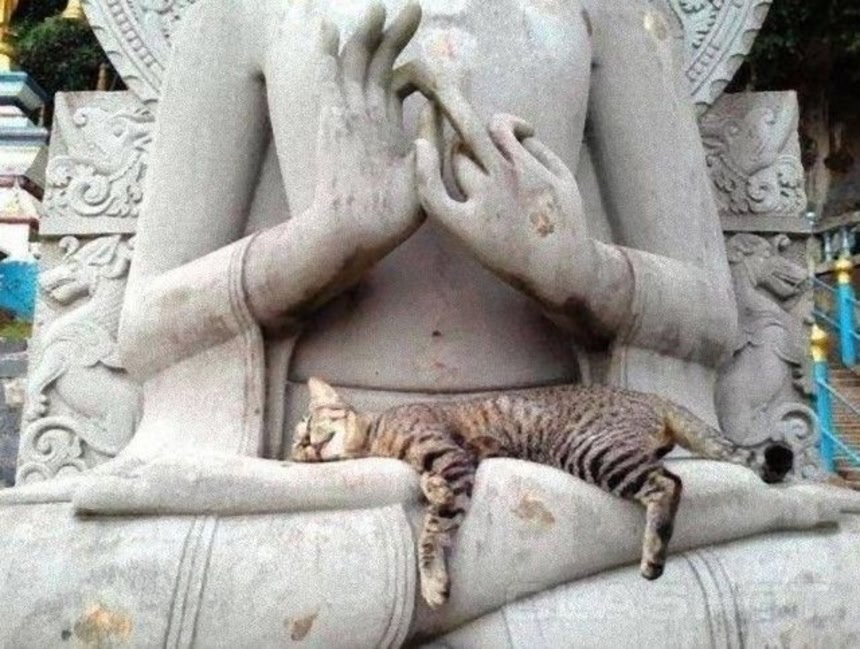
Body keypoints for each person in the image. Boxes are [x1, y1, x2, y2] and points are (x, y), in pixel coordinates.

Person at [116, 0, 736, 468]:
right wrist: (325, 243)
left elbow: (712, 317)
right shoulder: (238, 14)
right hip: (317, 464)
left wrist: (579, 274)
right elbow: (144, 330)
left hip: (556, 450)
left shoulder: (612, 15)